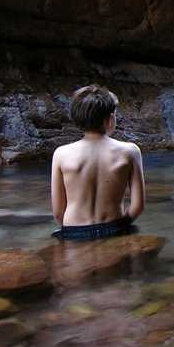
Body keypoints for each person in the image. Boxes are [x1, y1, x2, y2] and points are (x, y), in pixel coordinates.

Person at [50, 84, 145, 240]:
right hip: (114, 227)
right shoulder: (130, 151)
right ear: (109, 119)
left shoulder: (61, 154)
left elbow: (58, 212)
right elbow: (138, 206)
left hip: (74, 230)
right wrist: (121, 225)